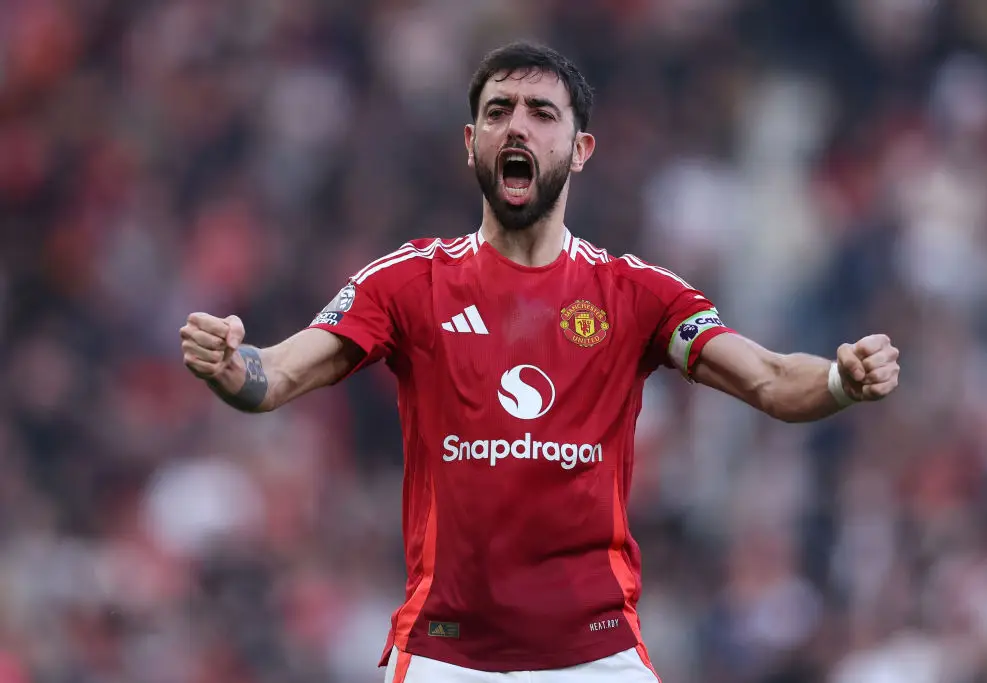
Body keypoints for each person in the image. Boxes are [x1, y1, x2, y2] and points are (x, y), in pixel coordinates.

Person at [179, 42, 900, 683]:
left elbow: (772, 379)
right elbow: (276, 373)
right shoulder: (407, 281)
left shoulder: (637, 294)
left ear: (580, 149)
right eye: (498, 111)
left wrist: (841, 379)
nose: (517, 125)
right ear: (471, 142)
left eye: (541, 113)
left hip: (596, 657)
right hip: (446, 656)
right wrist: (229, 363)